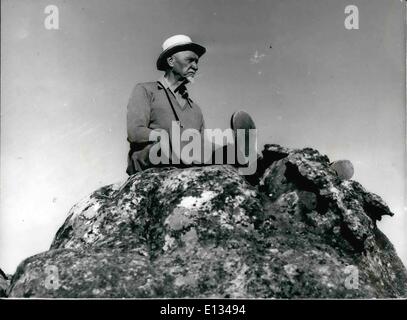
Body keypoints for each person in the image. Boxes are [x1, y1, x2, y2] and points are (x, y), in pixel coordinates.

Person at [126, 34, 354, 182]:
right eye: (191, 59)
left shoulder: (195, 109)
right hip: (154, 158)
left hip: (190, 158)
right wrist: (170, 138)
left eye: (197, 61)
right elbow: (135, 133)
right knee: (190, 152)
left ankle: (319, 172)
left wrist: (223, 149)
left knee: (242, 158)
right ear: (170, 61)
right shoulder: (146, 90)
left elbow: (203, 144)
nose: (196, 65)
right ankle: (244, 155)